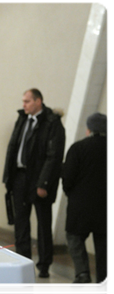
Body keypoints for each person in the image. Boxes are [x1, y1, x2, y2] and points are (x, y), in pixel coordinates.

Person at [3, 88, 65, 278]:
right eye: (23, 101)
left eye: (27, 101)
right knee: (21, 223)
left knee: (43, 223)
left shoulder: (52, 123)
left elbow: (53, 157)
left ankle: (44, 264)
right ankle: (24, 261)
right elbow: (12, 148)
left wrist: (43, 183)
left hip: (39, 179)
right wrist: (8, 178)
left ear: (38, 101)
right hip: (20, 178)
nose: (24, 105)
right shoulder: (22, 119)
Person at [62, 113, 110, 290]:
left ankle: (82, 273)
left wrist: (70, 193)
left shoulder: (78, 148)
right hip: (107, 206)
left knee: (74, 237)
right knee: (104, 244)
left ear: (89, 128)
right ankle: (105, 281)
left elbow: (67, 177)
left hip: (80, 205)